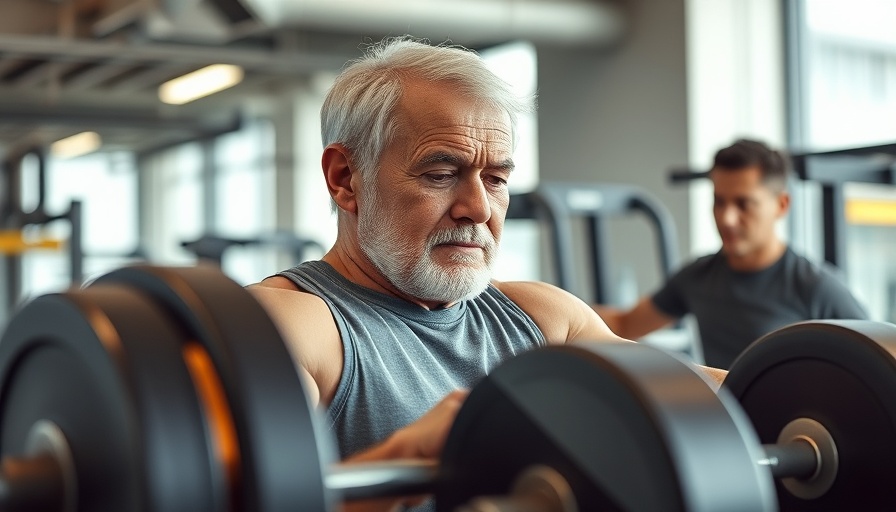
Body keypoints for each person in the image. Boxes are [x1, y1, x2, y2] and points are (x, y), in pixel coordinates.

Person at [247, 36, 725, 511]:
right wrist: (401, 457)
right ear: (346, 179)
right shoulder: (288, 327)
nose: (478, 208)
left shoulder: (543, 317)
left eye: (496, 179)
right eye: (440, 173)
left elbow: (708, 393)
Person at [594, 139, 868, 369]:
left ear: (781, 205)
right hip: (726, 424)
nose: (727, 218)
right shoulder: (697, 277)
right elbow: (625, 324)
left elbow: (878, 355)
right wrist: (556, 307)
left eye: (743, 204)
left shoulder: (816, 287)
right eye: (719, 201)